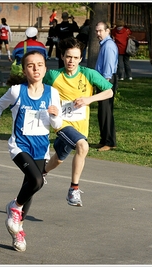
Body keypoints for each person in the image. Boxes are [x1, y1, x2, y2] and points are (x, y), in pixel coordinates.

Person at [0, 50, 63, 252]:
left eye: (39, 65)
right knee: (37, 181)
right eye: (30, 65)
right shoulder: (17, 91)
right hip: (19, 146)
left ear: (45, 68)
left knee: (31, 188)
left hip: (41, 148)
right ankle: (14, 206)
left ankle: (17, 230)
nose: (35, 68)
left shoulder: (52, 92)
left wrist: (54, 116)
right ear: (25, 70)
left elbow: (57, 124)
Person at [42, 37, 114, 207]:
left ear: (81, 58)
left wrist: (89, 99)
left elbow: (109, 92)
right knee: (83, 146)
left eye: (75, 57)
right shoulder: (53, 75)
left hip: (80, 126)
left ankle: (42, 172)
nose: (71, 61)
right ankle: (73, 189)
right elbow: (38, 90)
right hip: (61, 124)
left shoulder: (88, 74)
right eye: (68, 57)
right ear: (62, 56)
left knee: (59, 158)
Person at [94, 21, 118, 152]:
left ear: (107, 31)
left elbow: (108, 68)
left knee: (106, 112)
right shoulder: (105, 44)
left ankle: (109, 141)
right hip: (103, 80)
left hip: (106, 81)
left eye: (100, 31)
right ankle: (104, 139)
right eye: (96, 31)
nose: (98, 33)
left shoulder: (108, 46)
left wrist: (105, 85)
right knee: (103, 112)